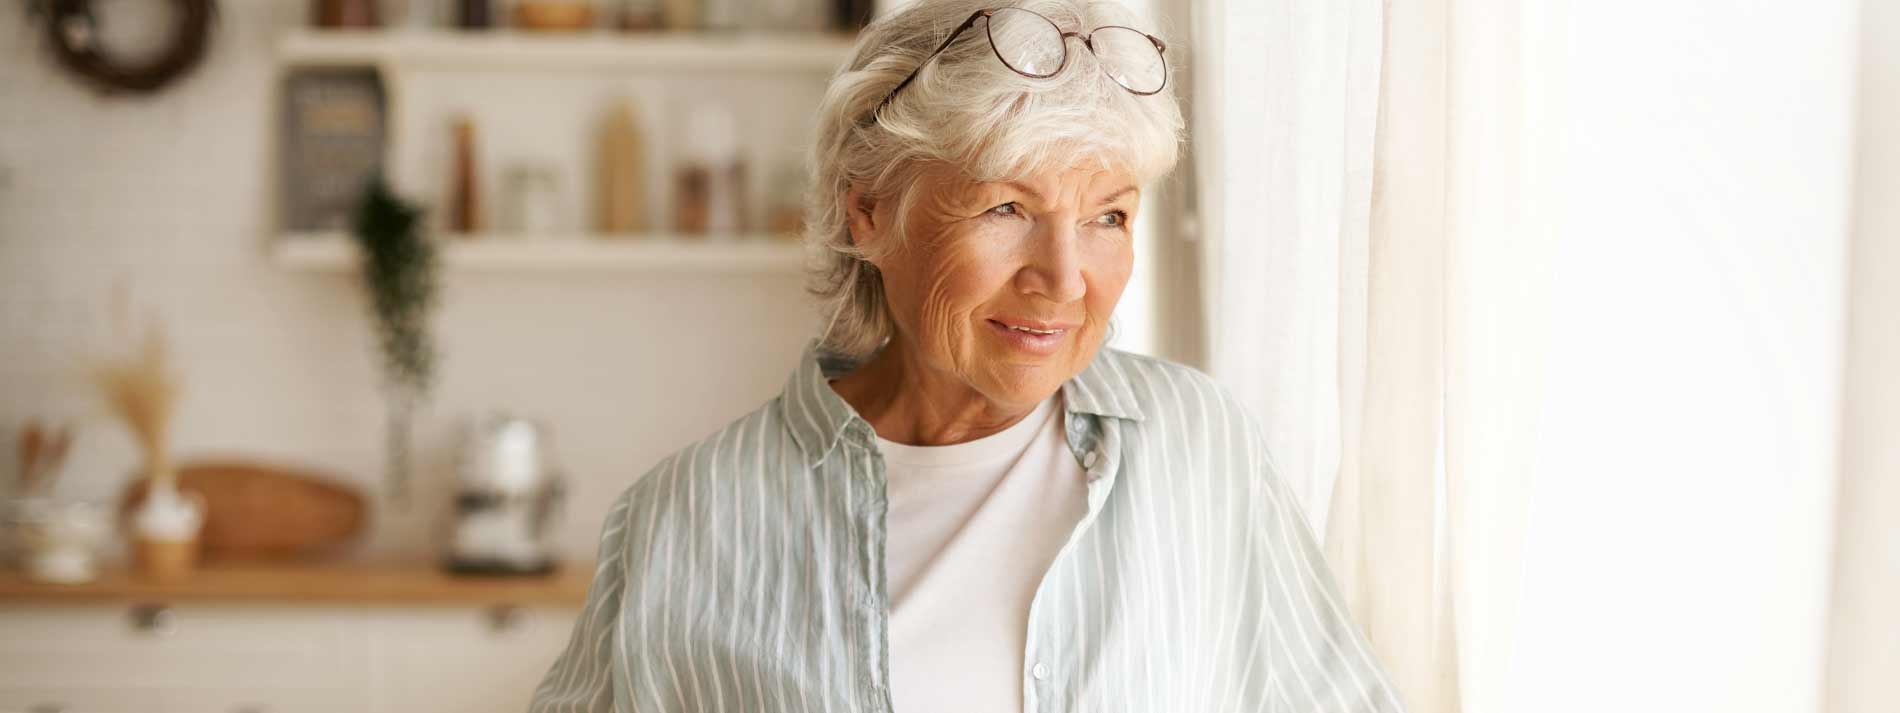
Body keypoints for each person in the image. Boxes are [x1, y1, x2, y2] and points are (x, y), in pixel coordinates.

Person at [528, 0, 1403, 710]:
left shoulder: (1199, 447)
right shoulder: (684, 518)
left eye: (1108, 216)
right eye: (1005, 209)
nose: (1064, 281)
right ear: (869, 213)